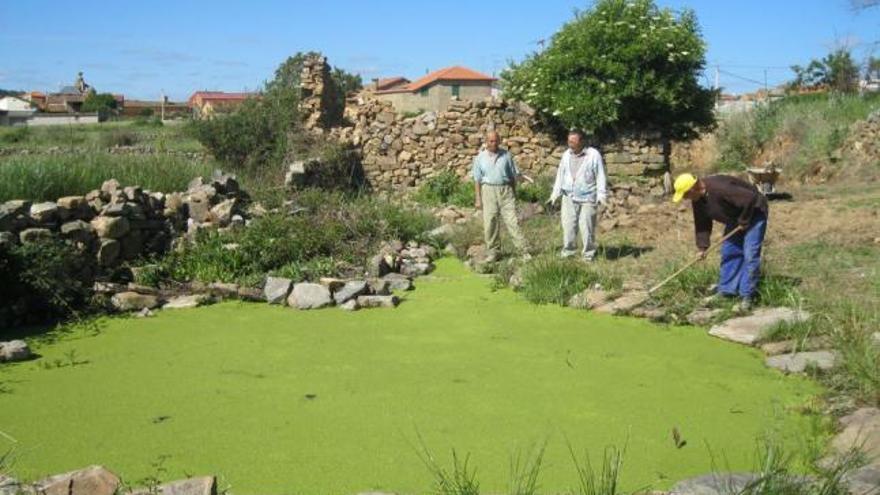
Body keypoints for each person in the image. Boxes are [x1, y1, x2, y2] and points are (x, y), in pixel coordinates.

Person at [672, 173, 769, 312]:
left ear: (693, 188)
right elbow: (702, 224)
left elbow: (750, 198)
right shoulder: (698, 200)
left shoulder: (720, 189)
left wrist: (744, 221)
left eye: (685, 195)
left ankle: (747, 297)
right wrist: (702, 247)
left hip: (754, 212)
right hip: (735, 217)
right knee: (729, 251)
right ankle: (727, 291)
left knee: (750, 254)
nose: (685, 199)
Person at [548, 129, 608, 261]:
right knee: (568, 226)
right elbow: (560, 174)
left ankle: (588, 254)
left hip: (587, 197)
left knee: (587, 227)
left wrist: (601, 195)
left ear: (582, 141)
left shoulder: (593, 155)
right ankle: (569, 252)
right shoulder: (566, 155)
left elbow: (600, 175)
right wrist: (555, 193)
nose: (570, 144)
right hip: (568, 196)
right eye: (569, 141)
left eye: (573, 141)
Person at [472, 131, 528, 261]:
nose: (494, 143)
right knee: (490, 222)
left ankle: (523, 251)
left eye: (496, 141)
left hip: (505, 190)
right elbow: (477, 179)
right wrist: (478, 199)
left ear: (499, 141)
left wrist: (514, 193)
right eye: (491, 141)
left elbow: (513, 176)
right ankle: (493, 252)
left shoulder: (506, 156)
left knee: (513, 221)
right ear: (486, 142)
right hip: (488, 190)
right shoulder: (480, 158)